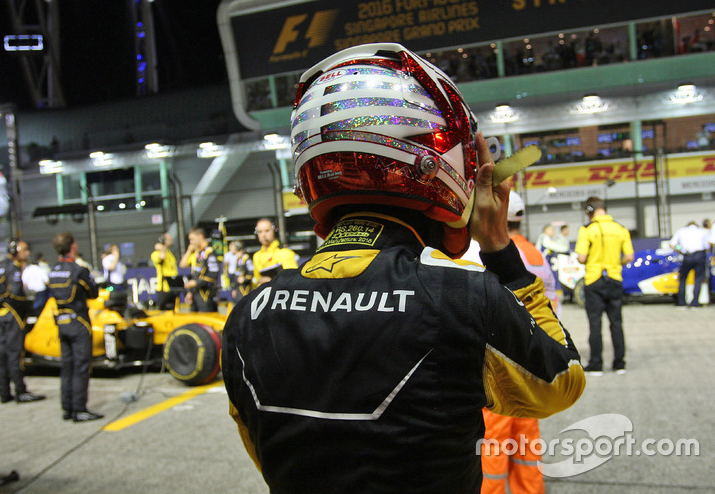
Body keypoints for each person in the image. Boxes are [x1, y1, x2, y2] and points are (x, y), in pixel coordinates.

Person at [222, 43, 585, 493]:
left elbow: (266, 454)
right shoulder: (462, 298)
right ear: (444, 169)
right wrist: (499, 250)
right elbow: (561, 381)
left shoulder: (246, 317)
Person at [480, 191, 560, 494]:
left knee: (493, 445)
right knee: (526, 444)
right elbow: (551, 308)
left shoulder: (485, 255)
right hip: (534, 366)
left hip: (499, 369)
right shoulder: (537, 256)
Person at [0, 239, 46, 404]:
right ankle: (21, 391)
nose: (27, 253)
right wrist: (27, 306)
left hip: (1, 316)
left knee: (1, 356)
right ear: (14, 250)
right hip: (14, 316)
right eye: (24, 250)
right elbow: (16, 293)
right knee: (15, 355)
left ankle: (4, 393)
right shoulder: (13, 268)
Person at [574, 196, 634, 376]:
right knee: (616, 323)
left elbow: (582, 258)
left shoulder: (587, 229)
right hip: (614, 279)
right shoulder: (621, 228)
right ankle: (619, 363)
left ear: (589, 211)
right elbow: (629, 256)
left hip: (594, 280)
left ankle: (596, 364)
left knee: (595, 323)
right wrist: (616, 263)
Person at [47, 232, 103, 422]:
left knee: (67, 366)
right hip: (79, 323)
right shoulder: (79, 270)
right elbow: (93, 293)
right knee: (80, 367)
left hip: (61, 322)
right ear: (73, 246)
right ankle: (80, 409)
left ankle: (68, 408)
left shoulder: (53, 271)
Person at [670, 221, 710, 308]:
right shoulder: (702, 232)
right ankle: (695, 302)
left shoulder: (681, 231)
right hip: (699, 256)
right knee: (698, 279)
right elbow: (707, 246)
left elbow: (673, 245)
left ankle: (682, 302)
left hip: (687, 256)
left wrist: (680, 249)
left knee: (682, 279)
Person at [181, 226, 221, 312]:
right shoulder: (197, 253)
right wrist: (190, 291)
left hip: (207, 294)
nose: (191, 242)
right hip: (195, 294)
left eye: (192, 239)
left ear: (200, 236)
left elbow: (213, 274)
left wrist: (195, 283)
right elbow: (183, 264)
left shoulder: (209, 252)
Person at [252, 218, 298, 285]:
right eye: (260, 232)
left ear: (275, 231)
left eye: (267, 231)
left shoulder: (285, 253)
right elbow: (256, 280)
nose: (263, 235)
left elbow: (293, 279)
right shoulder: (256, 256)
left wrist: (272, 281)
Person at [151, 232, 179, 310]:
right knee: (164, 310)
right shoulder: (156, 254)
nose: (171, 240)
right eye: (169, 239)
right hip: (164, 287)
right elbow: (161, 257)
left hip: (172, 286)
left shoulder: (169, 253)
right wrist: (162, 247)